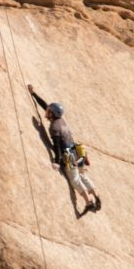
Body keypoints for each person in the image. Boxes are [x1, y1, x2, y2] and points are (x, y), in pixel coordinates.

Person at [27, 85, 101, 213]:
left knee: (75, 180)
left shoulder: (54, 128)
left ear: (51, 114)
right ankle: (97, 197)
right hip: (77, 152)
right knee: (83, 176)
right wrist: (34, 94)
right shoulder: (60, 119)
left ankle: (89, 202)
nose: (46, 111)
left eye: (48, 111)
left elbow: (57, 147)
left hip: (69, 156)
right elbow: (46, 105)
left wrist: (56, 161)